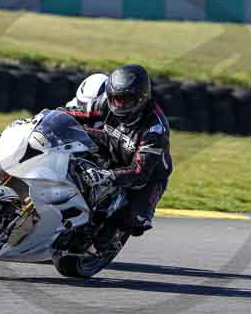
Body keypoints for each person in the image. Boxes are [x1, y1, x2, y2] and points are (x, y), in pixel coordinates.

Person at [65, 64, 173, 248]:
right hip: (111, 147)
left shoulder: (155, 130)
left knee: (135, 221)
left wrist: (107, 176)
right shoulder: (104, 102)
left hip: (147, 176)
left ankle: (108, 237)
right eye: (115, 99)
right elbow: (71, 113)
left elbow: (140, 171)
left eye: (126, 100)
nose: (119, 105)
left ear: (142, 97)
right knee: (71, 139)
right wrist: (43, 120)